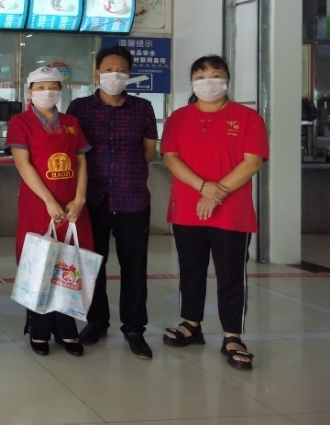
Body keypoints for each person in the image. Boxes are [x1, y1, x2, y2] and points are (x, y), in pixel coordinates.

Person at [160, 55, 267, 370]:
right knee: (190, 269)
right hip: (187, 207)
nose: (209, 82)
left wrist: (217, 192)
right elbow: (170, 157)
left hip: (232, 211)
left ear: (227, 80)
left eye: (216, 75)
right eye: (201, 76)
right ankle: (191, 323)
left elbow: (252, 162)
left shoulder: (247, 118)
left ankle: (233, 335)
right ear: (192, 82)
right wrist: (204, 187)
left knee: (231, 273)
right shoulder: (179, 118)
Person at [66, 45, 158, 359]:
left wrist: (127, 171)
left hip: (132, 197)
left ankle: (134, 328)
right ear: (96, 73)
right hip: (92, 198)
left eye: (121, 71)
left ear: (129, 75)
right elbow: (73, 149)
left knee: (135, 266)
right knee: (93, 263)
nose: (114, 75)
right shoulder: (79, 108)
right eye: (108, 70)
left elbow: (148, 151)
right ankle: (96, 321)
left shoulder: (143, 108)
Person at [8, 66, 92, 357]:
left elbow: (81, 162)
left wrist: (80, 198)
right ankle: (39, 327)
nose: (47, 92)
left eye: (53, 86)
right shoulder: (20, 121)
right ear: (30, 91)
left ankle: (67, 327)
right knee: (39, 263)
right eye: (41, 87)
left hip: (72, 206)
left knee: (69, 265)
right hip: (38, 205)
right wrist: (47, 200)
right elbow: (23, 164)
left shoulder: (71, 122)